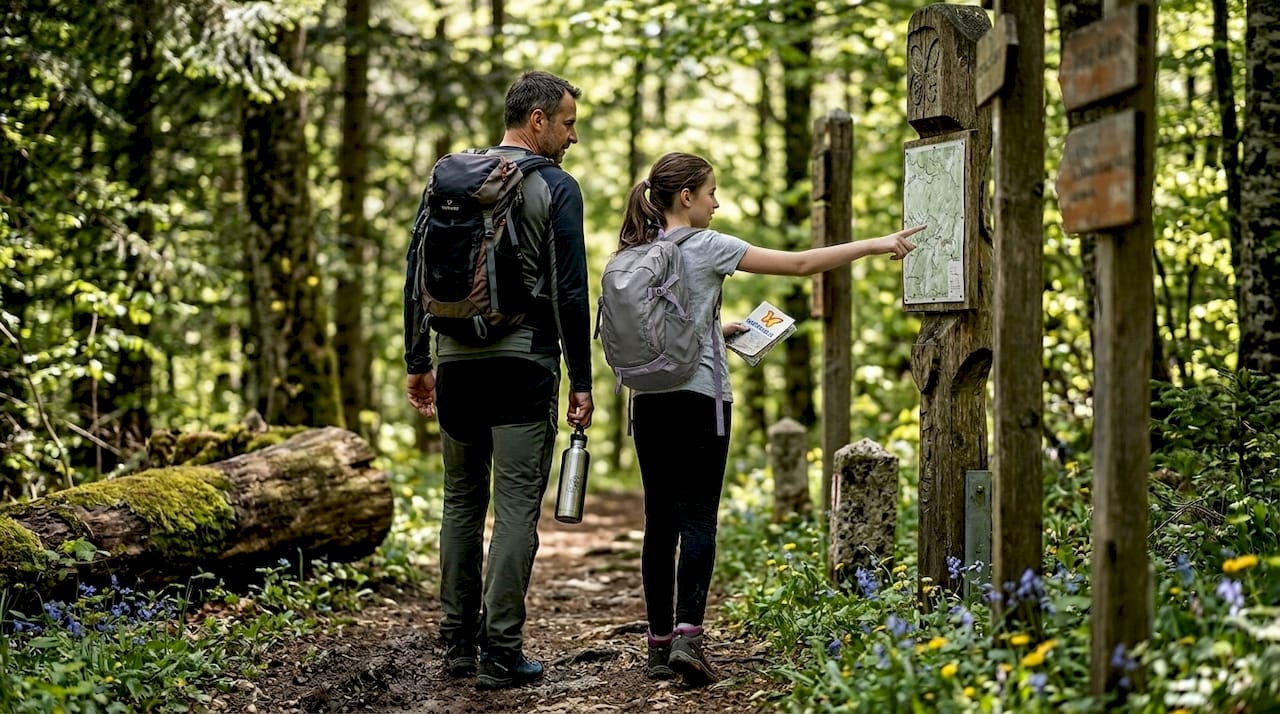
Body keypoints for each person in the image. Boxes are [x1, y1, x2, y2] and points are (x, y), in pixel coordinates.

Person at [618, 152, 922, 686]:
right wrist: (877, 244)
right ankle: (690, 636)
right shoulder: (710, 246)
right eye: (711, 191)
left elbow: (669, 323)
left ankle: (658, 646)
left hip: (647, 400)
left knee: (659, 523)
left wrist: (719, 328)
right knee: (698, 520)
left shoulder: (637, 251)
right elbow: (802, 263)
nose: (718, 202)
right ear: (686, 198)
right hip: (700, 401)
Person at [404, 70, 594, 691]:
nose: (571, 136)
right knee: (515, 508)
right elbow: (569, 291)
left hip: (455, 362)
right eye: (566, 122)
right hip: (523, 364)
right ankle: (501, 651)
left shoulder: (450, 179)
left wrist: (419, 361)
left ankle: (457, 642)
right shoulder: (555, 187)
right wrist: (581, 380)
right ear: (536, 120)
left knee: (460, 503)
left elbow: (415, 271)